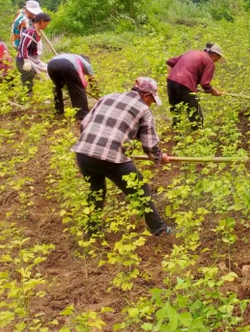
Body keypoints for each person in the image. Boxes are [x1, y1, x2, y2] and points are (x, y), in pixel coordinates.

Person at [71, 77, 173, 237]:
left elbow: (84, 124)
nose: (151, 104)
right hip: (112, 158)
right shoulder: (143, 109)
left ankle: (91, 231)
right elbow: (149, 145)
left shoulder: (107, 97)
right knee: (141, 189)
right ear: (146, 95)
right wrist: (160, 158)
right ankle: (159, 230)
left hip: (83, 152)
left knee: (96, 190)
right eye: (152, 100)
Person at [166, 43, 226, 129]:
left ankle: (176, 134)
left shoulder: (191, 53)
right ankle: (197, 138)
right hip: (186, 85)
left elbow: (170, 62)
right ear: (214, 55)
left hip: (171, 82)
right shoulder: (209, 61)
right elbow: (205, 84)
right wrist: (213, 91)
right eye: (218, 57)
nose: (218, 60)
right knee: (196, 115)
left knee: (176, 111)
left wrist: (173, 77)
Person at [48, 53, 97, 120]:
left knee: (57, 88)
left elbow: (67, 82)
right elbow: (92, 78)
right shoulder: (85, 62)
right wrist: (96, 91)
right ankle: (82, 115)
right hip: (66, 65)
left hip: (51, 65)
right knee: (78, 89)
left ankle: (59, 112)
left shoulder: (71, 57)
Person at [15, 12, 51, 94]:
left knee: (49, 70)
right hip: (23, 60)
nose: (47, 26)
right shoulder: (30, 32)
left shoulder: (38, 31)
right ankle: (24, 97)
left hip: (34, 60)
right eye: (46, 23)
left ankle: (40, 92)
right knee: (28, 74)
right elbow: (22, 46)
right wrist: (26, 60)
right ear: (41, 21)